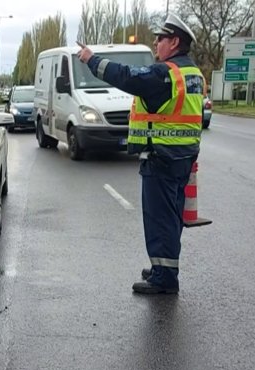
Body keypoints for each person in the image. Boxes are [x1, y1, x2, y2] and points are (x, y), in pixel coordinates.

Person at [77, 13, 204, 294]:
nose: (156, 42)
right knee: (171, 218)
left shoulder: (165, 74)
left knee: (160, 219)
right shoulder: (192, 73)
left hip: (161, 158)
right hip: (183, 157)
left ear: (175, 42)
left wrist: (91, 59)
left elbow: (126, 76)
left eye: (161, 38)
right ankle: (164, 268)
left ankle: (164, 278)